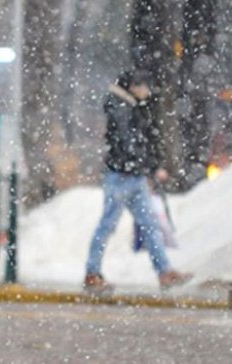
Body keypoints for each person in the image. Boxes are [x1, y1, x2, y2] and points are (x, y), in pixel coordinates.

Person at [83, 69, 192, 293]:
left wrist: (146, 167)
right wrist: (150, 167)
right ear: (133, 86)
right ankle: (92, 273)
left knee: (148, 226)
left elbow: (134, 142)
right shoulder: (121, 109)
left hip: (131, 175)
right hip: (123, 176)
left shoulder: (126, 107)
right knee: (110, 226)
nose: (148, 91)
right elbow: (130, 143)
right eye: (145, 86)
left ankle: (164, 271)